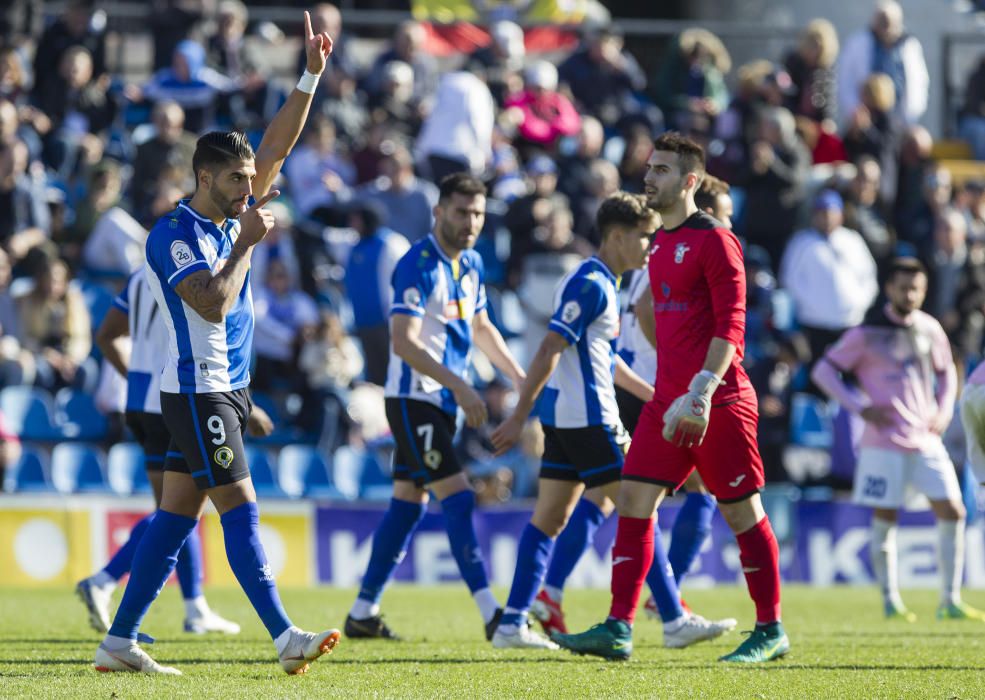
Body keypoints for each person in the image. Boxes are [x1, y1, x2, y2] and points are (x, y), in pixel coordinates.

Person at [92, 10, 341, 676]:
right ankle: (284, 635)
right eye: (237, 180)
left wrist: (310, 76)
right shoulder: (171, 234)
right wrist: (246, 246)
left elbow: (279, 145)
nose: (248, 187)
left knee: (174, 520)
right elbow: (208, 300)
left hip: (220, 385)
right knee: (242, 508)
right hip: (198, 388)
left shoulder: (233, 209)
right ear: (205, 178)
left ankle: (118, 641)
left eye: (249, 179)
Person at [553, 132, 789, 663]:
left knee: (742, 514)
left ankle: (771, 629)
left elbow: (731, 328)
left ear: (688, 181)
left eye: (660, 170)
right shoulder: (658, 244)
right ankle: (619, 627)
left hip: (720, 403)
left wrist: (701, 388)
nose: (648, 176)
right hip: (668, 403)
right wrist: (675, 384)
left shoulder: (716, 241)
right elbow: (660, 323)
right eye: (649, 166)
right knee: (634, 503)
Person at [489, 192, 733, 651]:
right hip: (590, 420)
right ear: (618, 237)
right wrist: (520, 414)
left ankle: (511, 623)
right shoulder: (593, 284)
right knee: (638, 509)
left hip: (567, 418)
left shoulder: (599, 281)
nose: (650, 247)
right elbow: (548, 348)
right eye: (644, 237)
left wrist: (659, 396)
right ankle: (675, 617)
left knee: (549, 518)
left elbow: (604, 360)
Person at [344, 173, 525, 642]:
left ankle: (363, 612)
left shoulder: (470, 264)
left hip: (443, 401)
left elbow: (482, 326)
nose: (470, 222)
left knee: (407, 504)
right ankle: (492, 615)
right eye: (462, 212)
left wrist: (521, 378)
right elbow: (402, 342)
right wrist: (461, 385)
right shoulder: (418, 264)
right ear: (439, 211)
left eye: (478, 214)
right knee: (459, 497)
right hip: (413, 400)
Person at [76, 266, 254, 637]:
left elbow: (107, 334)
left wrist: (137, 377)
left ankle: (194, 606)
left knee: (181, 506)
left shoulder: (141, 274)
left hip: (142, 402)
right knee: (177, 510)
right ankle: (106, 580)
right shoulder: (196, 272)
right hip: (178, 399)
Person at [813, 257, 983, 622]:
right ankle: (891, 601)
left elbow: (948, 371)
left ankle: (949, 599)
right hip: (882, 442)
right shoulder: (866, 333)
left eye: (917, 288)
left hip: (925, 438)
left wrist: (944, 410)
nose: (911, 294)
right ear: (889, 289)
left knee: (953, 510)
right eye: (904, 287)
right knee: (886, 515)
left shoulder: (929, 328)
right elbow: (824, 370)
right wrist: (858, 406)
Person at [780, 189, 879, 381]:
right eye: (821, 213)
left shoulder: (853, 240)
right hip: (814, 326)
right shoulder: (801, 242)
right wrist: (813, 306)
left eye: (830, 213)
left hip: (849, 324)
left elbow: (869, 277)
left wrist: (858, 303)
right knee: (816, 378)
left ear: (840, 215)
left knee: (850, 380)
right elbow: (790, 280)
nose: (826, 218)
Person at [343, 197, 410, 386]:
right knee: (375, 379)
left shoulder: (391, 243)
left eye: (356, 219)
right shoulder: (354, 244)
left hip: (389, 324)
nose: (352, 224)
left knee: (395, 376)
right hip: (364, 324)